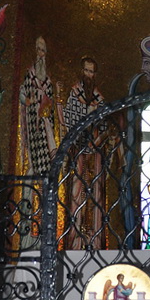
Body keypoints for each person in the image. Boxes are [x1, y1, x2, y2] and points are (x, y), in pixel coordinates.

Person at [62, 56, 105, 249]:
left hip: (94, 152)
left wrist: (96, 140)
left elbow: (104, 125)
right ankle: (74, 237)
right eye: (86, 71)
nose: (88, 75)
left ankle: (92, 238)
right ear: (82, 72)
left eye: (91, 72)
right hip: (78, 149)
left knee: (93, 192)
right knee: (76, 191)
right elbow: (69, 121)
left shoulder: (99, 99)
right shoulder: (74, 93)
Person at [19, 36, 56, 174]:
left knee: (45, 149)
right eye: (38, 50)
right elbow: (22, 93)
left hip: (45, 121)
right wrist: (28, 100)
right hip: (32, 119)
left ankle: (44, 177)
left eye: (43, 50)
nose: (40, 53)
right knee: (34, 149)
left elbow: (51, 101)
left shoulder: (48, 80)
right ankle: (34, 173)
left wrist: (47, 107)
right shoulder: (30, 74)